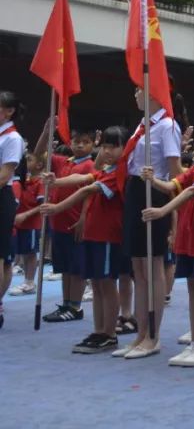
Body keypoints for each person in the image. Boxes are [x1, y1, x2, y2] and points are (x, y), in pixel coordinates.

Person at [140, 116, 194, 367]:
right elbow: (174, 185)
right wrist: (153, 179)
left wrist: (162, 211)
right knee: (193, 288)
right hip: (190, 237)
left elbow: (191, 191)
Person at [41, 127, 130, 354]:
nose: (108, 151)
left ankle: (110, 333)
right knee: (98, 285)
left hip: (108, 236)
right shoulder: (106, 169)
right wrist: (57, 181)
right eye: (105, 146)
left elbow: (87, 189)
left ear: (125, 148)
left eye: (114, 146)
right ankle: (99, 330)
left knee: (107, 285)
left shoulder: (120, 172)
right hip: (93, 234)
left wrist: (57, 207)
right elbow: (84, 177)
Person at [113, 86, 183, 360]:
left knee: (152, 268)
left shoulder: (167, 126)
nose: (135, 94)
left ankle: (153, 336)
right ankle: (140, 334)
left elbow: (175, 171)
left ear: (155, 94)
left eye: (140, 90)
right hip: (134, 191)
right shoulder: (142, 125)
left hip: (153, 190)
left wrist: (166, 194)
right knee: (138, 268)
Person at [36, 127, 96, 323]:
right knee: (65, 268)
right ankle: (66, 304)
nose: (79, 144)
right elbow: (39, 154)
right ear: (69, 143)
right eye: (76, 140)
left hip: (75, 223)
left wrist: (84, 219)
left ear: (93, 144)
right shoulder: (64, 161)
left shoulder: (89, 166)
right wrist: (47, 132)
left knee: (76, 268)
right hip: (58, 222)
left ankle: (75, 306)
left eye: (85, 141)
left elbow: (90, 194)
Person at [0, 92, 27, 329]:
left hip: (2, 196)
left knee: (1, 257)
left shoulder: (12, 138)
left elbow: (4, 175)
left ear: (9, 111)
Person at [10, 152, 45, 297]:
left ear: (39, 165)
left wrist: (26, 214)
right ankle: (26, 280)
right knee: (24, 253)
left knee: (31, 253)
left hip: (32, 224)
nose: (25, 162)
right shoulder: (24, 181)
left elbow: (43, 205)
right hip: (19, 224)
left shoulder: (40, 182)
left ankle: (30, 282)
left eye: (29, 160)